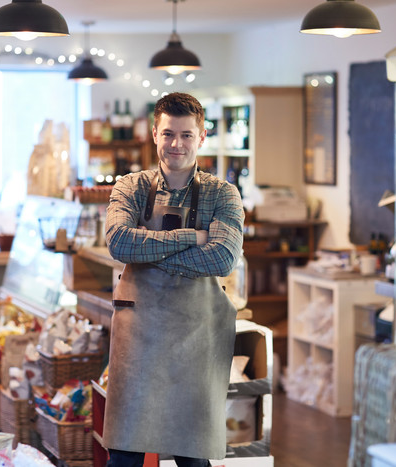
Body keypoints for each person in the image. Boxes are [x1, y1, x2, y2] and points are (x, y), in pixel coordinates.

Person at [102, 92, 245, 467]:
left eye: (185, 135)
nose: (176, 144)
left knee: (193, 456)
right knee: (124, 455)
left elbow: (223, 257)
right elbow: (119, 242)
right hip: (138, 337)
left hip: (196, 335)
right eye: (168, 134)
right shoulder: (130, 187)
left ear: (201, 137)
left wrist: (151, 252)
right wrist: (192, 238)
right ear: (154, 134)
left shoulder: (223, 194)